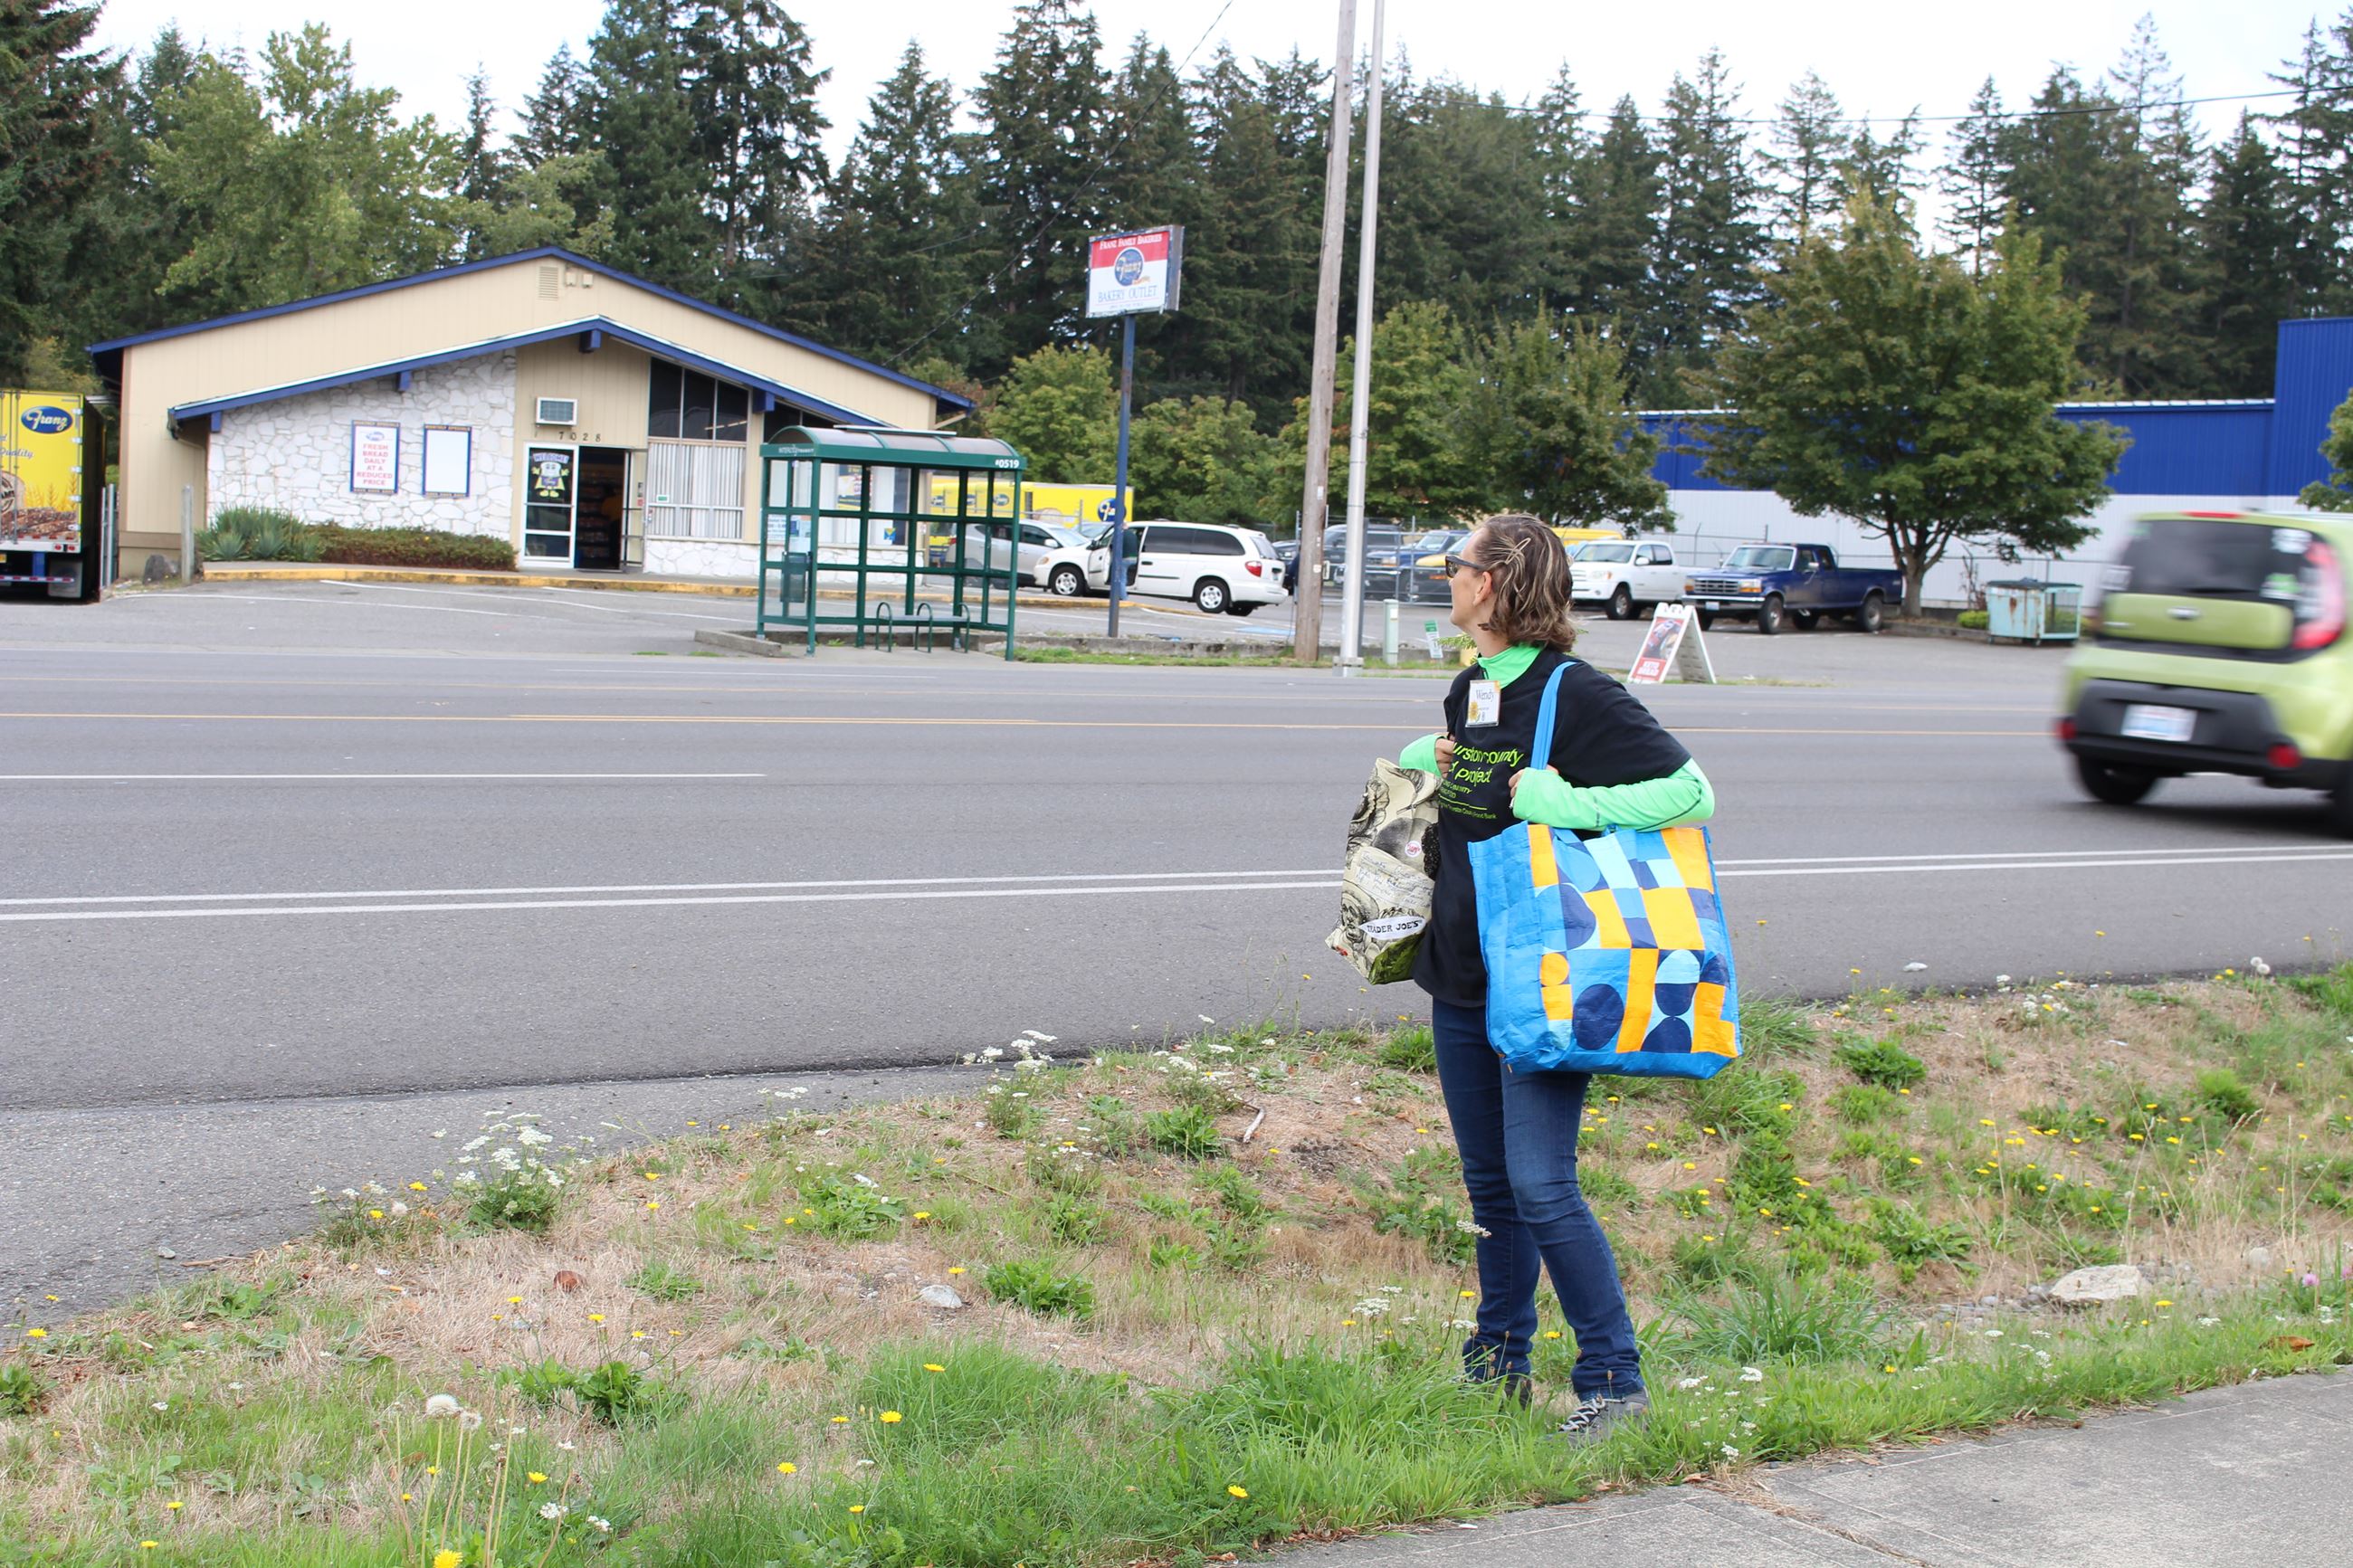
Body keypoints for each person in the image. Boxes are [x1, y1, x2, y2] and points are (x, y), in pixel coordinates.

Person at [1396, 513, 1715, 1438]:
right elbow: (1465, 809)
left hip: (1543, 973)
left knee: (1541, 1184)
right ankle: (1495, 1365)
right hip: (1459, 969)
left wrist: (1563, 801)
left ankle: (1613, 1381)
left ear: (1494, 580)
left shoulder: (1572, 690)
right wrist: (1432, 763)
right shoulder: (1471, 688)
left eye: (1455, 566)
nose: (1445, 578)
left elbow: (1689, 791)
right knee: (1489, 1188)